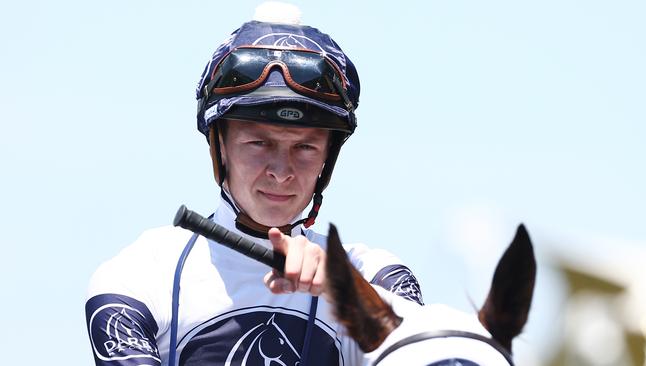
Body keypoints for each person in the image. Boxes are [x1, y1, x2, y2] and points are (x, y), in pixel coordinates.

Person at [85, 3, 423, 365]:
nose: (281, 170)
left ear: (328, 157)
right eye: (259, 144)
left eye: (305, 147)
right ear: (220, 146)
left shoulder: (375, 273)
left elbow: (431, 348)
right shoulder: (143, 271)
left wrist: (344, 288)